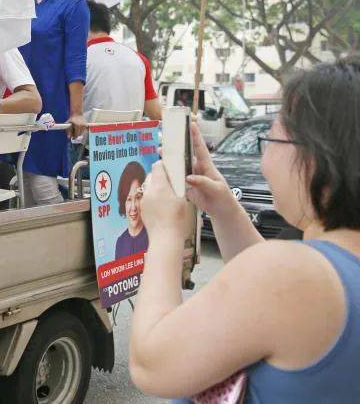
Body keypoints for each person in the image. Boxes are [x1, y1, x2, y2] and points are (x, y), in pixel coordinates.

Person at [130, 56, 360, 402]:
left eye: (270, 140)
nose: (264, 160)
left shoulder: (292, 275)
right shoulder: (322, 274)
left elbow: (151, 364)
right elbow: (272, 303)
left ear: (315, 158)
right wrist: (223, 207)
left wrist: (164, 231)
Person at [18, 0, 89, 206]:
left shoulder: (72, 3)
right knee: (22, 179)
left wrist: (76, 111)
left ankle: (63, 232)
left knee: (42, 180)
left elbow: (76, 59)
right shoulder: (21, 3)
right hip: (18, 102)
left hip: (51, 104)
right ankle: (30, 235)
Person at [83, 0, 161, 121]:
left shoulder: (77, 59)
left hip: (87, 133)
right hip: (131, 133)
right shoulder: (139, 59)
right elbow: (156, 114)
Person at [114, 161, 149, 259]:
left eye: (138, 197)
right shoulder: (120, 243)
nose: (133, 207)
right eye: (129, 199)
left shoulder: (153, 236)